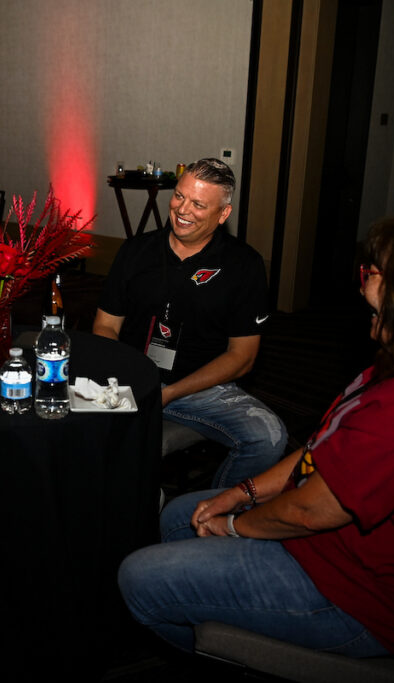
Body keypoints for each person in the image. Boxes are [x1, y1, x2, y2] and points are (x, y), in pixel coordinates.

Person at [118, 214, 394, 658]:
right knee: (178, 516)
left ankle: (228, 654)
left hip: (359, 599)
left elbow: (313, 510)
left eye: (373, 273)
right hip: (328, 552)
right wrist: (242, 492)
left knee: (137, 578)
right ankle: (212, 618)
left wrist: (236, 526)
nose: (363, 284)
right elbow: (320, 448)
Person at [93, 158, 287, 487]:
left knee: (268, 437)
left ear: (223, 214)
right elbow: (105, 326)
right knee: (59, 414)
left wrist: (167, 394)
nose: (183, 210)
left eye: (198, 204)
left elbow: (243, 357)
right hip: (130, 379)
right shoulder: (136, 251)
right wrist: (128, 379)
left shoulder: (244, 265)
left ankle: (206, 514)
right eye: (180, 196)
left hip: (199, 387)